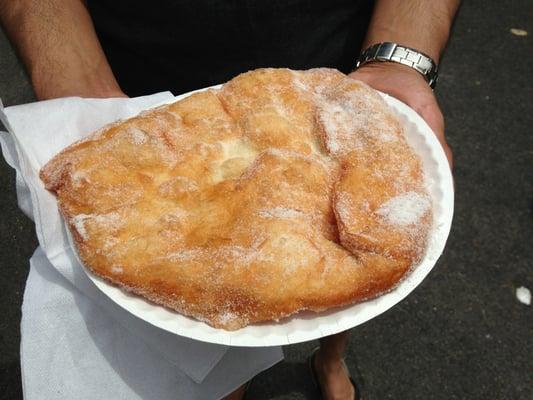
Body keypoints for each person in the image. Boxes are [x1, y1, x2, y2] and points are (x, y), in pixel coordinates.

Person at [0, 1, 458, 399]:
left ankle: (330, 358)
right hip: (129, 82)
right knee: (219, 331)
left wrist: (398, 57)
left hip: (329, 78)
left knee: (350, 285)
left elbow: (377, 250)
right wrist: (80, 100)